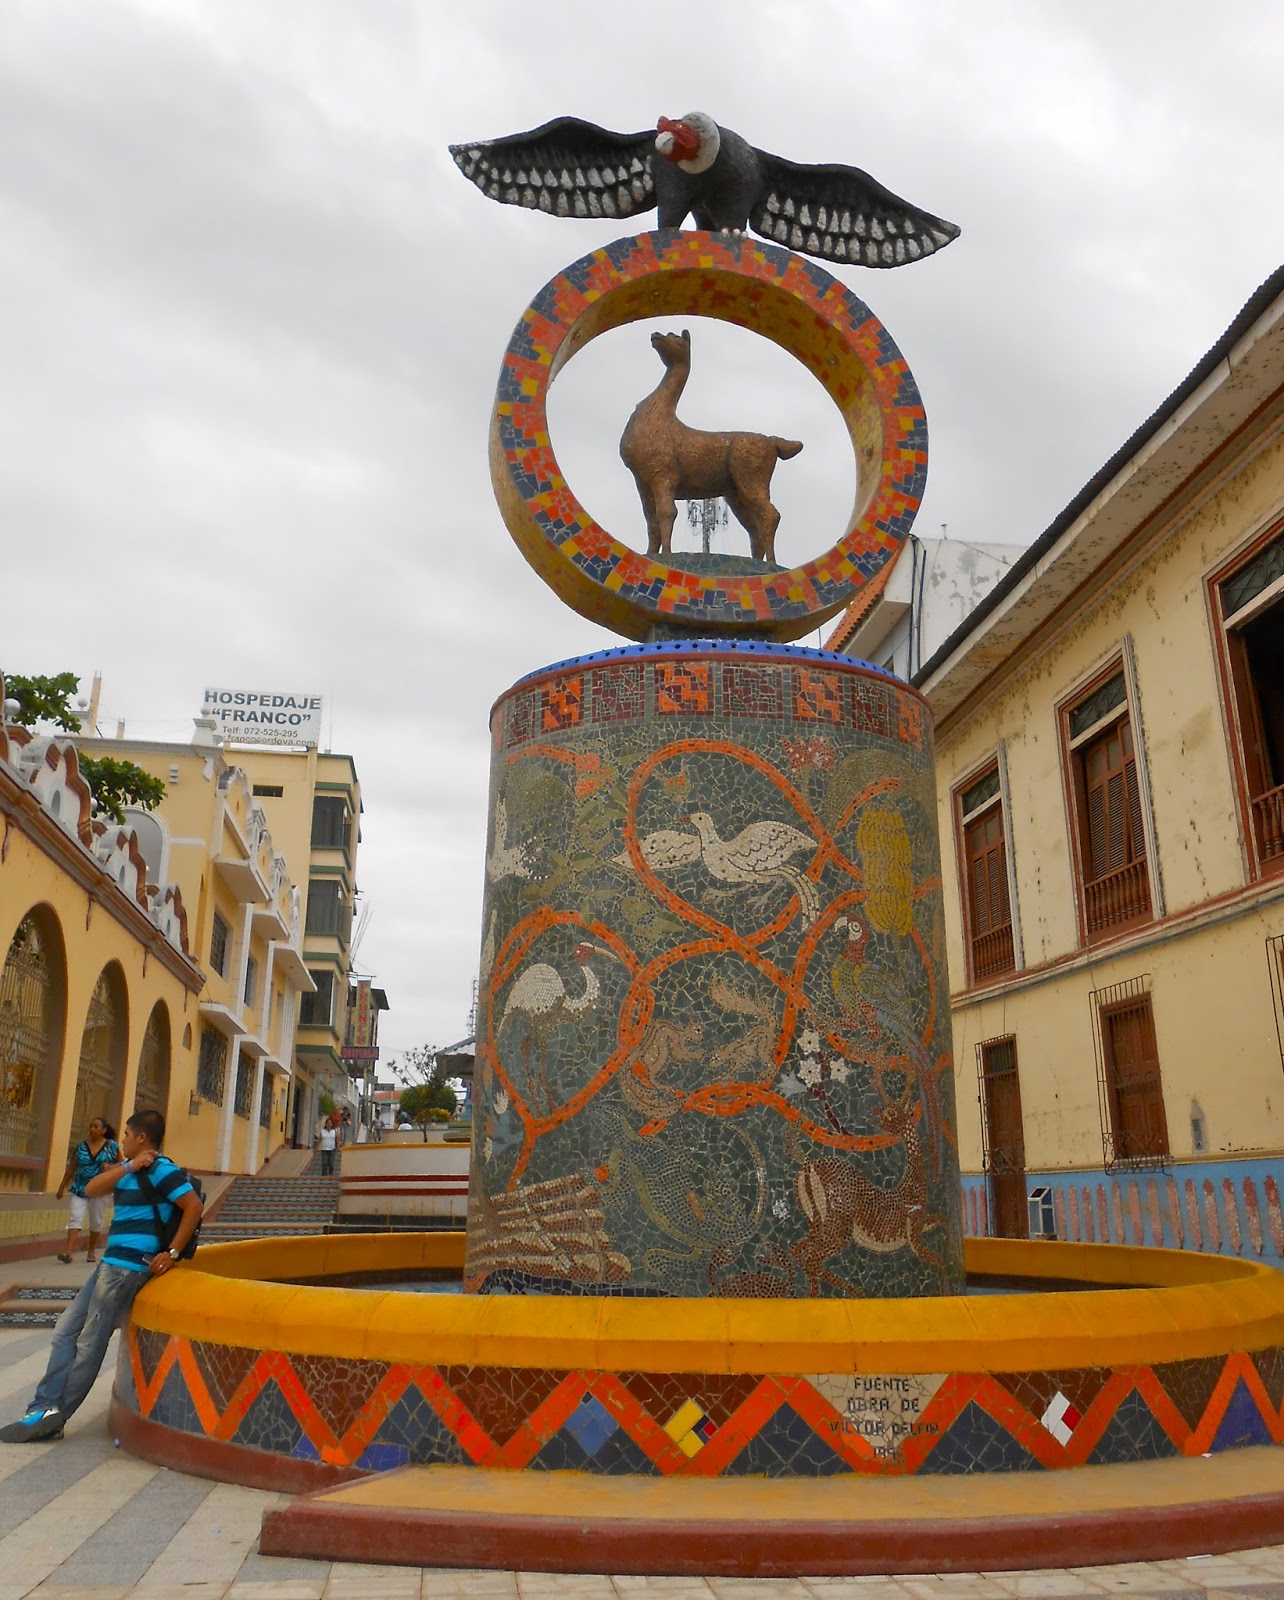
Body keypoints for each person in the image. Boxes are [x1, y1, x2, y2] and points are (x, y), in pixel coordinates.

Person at [0, 1108, 202, 1444]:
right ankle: (44, 1406)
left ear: (141, 1137)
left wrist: (172, 1253)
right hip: (109, 1264)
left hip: (128, 1268)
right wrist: (129, 1166)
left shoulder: (162, 1170)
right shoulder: (128, 1169)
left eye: (127, 1135)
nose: (121, 1140)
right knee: (65, 1331)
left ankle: (55, 1416)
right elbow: (91, 1188)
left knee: (90, 1342)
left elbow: (193, 1206)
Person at [55, 1117, 119, 1264]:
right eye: (90, 1126)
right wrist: (62, 1186)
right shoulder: (81, 1147)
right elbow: (71, 1167)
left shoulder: (112, 1147)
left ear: (104, 1130)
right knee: (75, 1217)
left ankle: (91, 1251)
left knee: (96, 1221)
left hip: (100, 1189)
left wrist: (110, 1168)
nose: (92, 1129)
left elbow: (122, 1164)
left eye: (96, 1127)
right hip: (80, 1188)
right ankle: (68, 1252)